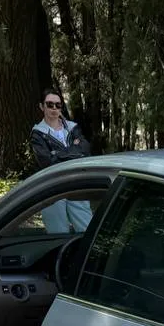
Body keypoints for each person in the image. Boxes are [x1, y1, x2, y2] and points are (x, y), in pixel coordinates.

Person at [30, 88, 93, 232]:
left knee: (87, 231)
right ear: (42, 106)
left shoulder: (72, 127)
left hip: (77, 183)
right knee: (57, 233)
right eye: (50, 104)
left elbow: (85, 151)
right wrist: (73, 151)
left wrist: (57, 153)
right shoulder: (38, 133)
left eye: (58, 105)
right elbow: (48, 162)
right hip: (52, 187)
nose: (54, 108)